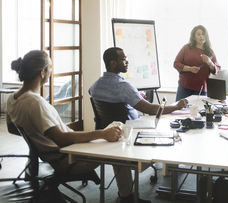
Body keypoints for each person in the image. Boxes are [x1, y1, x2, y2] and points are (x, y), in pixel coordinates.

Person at [7, 50, 146, 203]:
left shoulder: (13, 98)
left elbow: (12, 128)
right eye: (51, 68)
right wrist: (101, 134)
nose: (52, 72)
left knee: (116, 127)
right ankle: (127, 196)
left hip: (56, 153)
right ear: (42, 72)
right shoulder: (35, 103)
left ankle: (126, 194)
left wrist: (36, 139)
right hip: (67, 158)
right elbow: (61, 139)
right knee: (118, 145)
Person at [89, 47, 188, 120]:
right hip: (131, 128)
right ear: (113, 63)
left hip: (109, 130)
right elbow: (150, 110)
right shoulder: (124, 87)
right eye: (123, 59)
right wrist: (176, 107)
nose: (127, 62)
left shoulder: (94, 86)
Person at [174, 25, 221, 101]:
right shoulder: (186, 48)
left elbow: (217, 69)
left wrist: (209, 62)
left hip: (201, 89)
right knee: (180, 111)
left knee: (199, 112)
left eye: (203, 34)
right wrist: (190, 69)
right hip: (184, 87)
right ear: (194, 37)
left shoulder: (210, 52)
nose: (201, 36)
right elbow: (176, 64)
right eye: (198, 34)